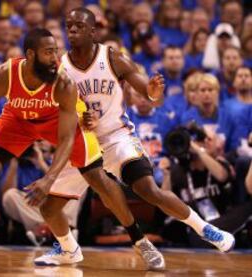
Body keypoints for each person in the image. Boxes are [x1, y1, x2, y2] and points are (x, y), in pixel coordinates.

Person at [0, 28, 161, 270]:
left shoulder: (63, 82)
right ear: (30, 55)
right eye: (49, 52)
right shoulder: (2, 75)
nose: (56, 58)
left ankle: (140, 241)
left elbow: (66, 138)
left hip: (58, 122)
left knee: (99, 179)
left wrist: (49, 179)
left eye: (56, 51)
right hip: (18, 120)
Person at [35, 7, 235, 268]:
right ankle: (69, 250)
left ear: (93, 32)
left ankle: (205, 228)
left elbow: (151, 96)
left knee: (149, 190)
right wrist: (79, 119)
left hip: (116, 137)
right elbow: (62, 111)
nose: (72, 30)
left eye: (79, 26)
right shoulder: (60, 68)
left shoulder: (113, 58)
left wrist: (152, 92)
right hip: (83, 142)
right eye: (69, 25)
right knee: (48, 208)